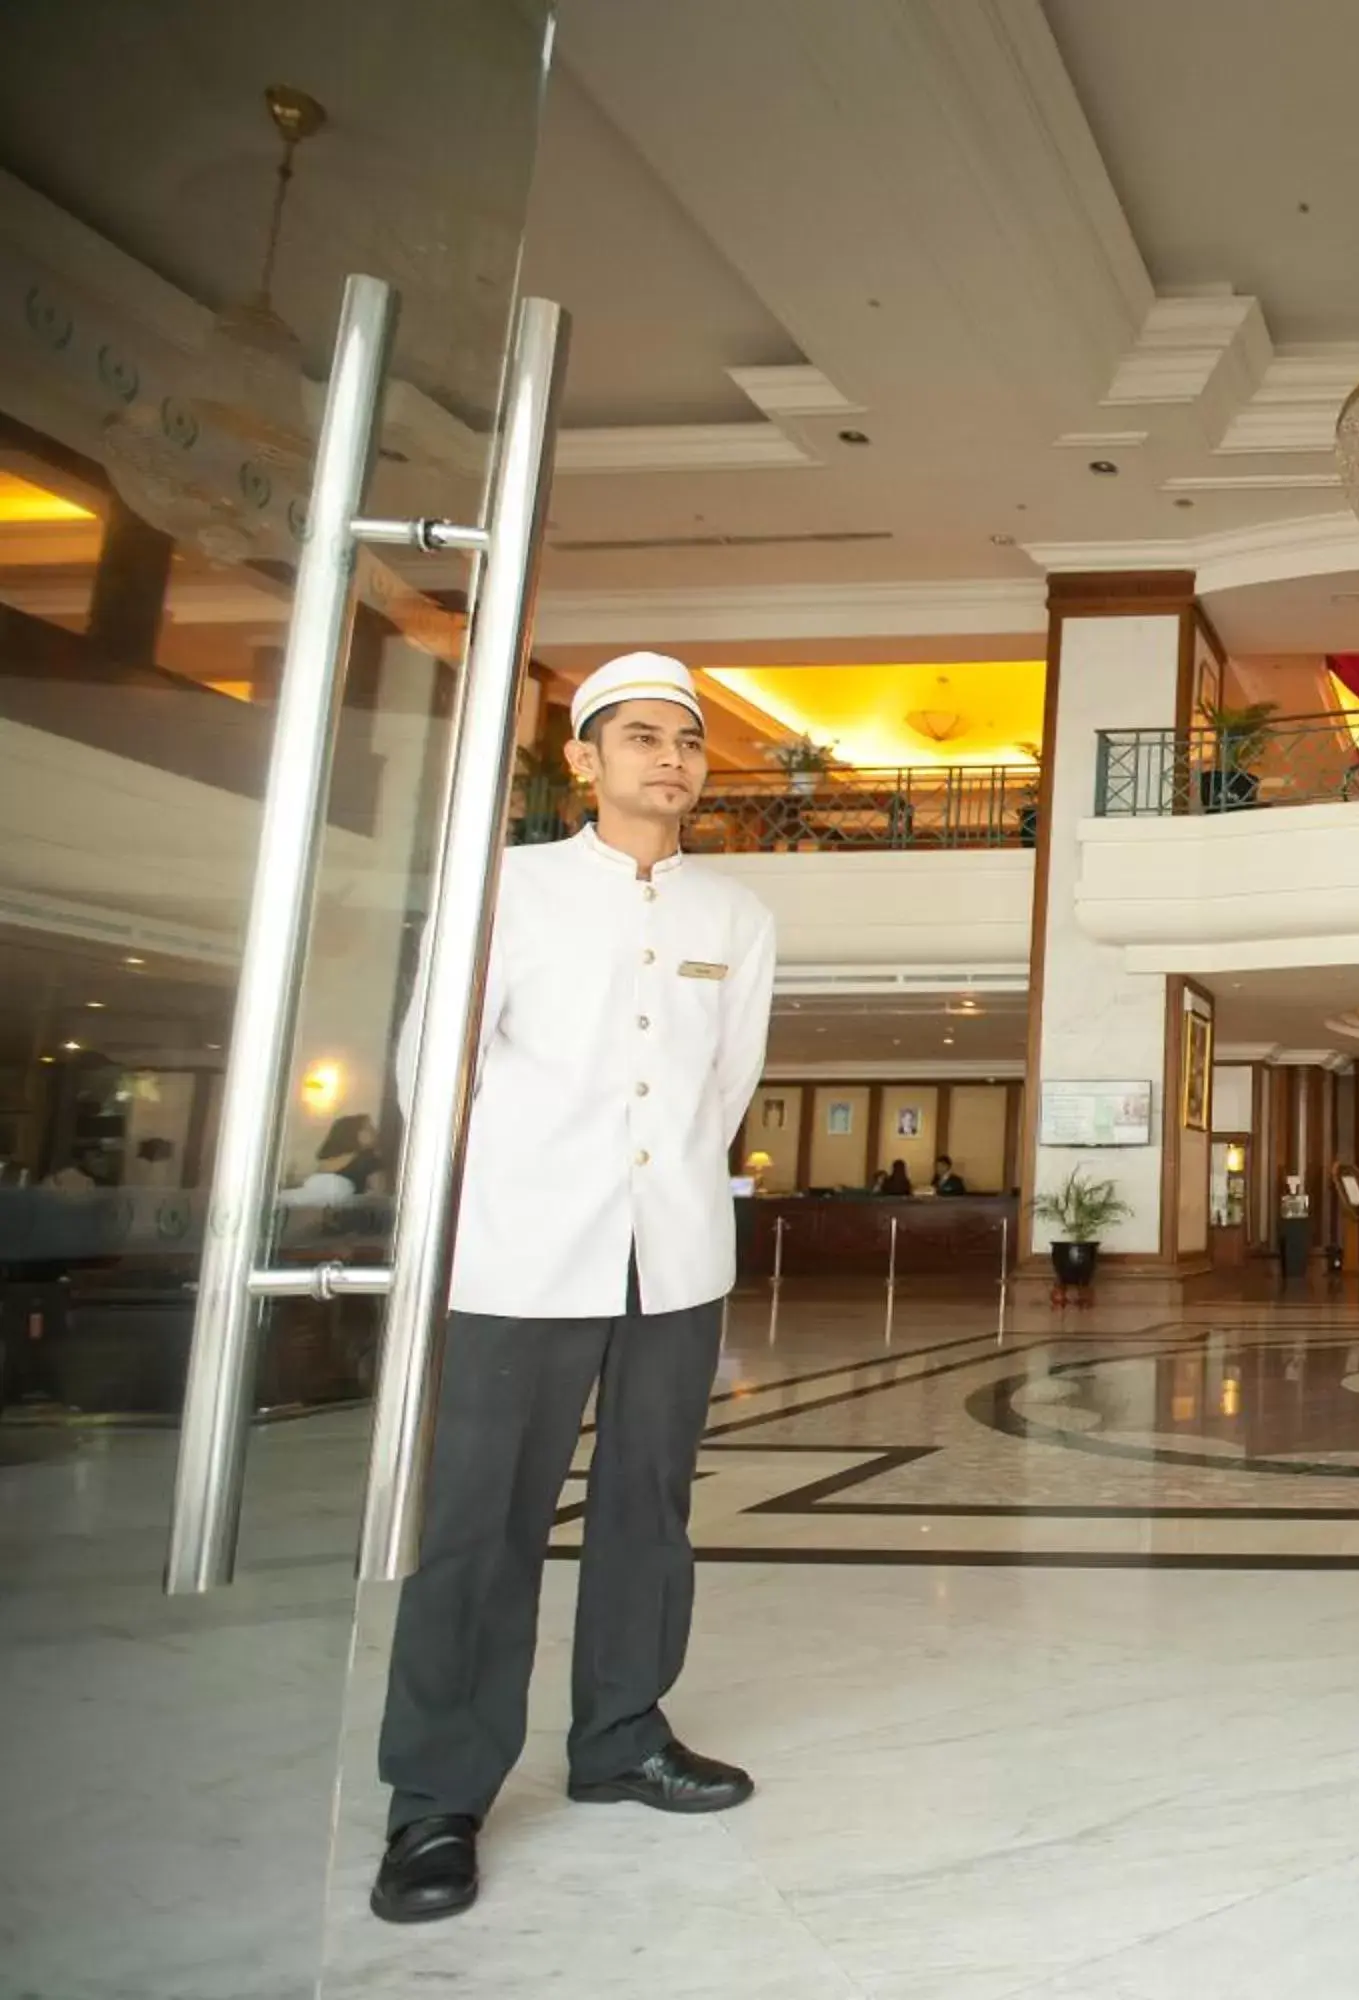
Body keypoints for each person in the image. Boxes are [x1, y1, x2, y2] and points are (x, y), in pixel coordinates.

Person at [370, 652, 777, 1926]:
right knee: (481, 1520)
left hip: (675, 1256)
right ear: (585, 762)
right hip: (522, 1250)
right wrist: (504, 1192)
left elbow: (726, 1089)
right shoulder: (508, 888)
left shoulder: (738, 918)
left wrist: (669, 1192)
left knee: (648, 1505)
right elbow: (432, 1072)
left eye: (688, 741)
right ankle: (436, 1794)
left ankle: (620, 1735)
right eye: (642, 736)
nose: (671, 758)